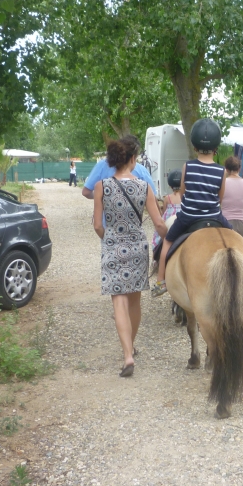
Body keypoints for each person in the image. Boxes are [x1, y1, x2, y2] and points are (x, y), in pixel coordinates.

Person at [94, 139, 167, 377]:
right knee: (135, 302)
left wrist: (110, 238)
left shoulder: (101, 186)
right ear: (133, 159)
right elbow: (158, 223)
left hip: (113, 246)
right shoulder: (145, 187)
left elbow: (97, 225)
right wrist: (171, 236)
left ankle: (127, 356)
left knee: (119, 302)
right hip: (137, 247)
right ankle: (131, 348)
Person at [152, 118, 232, 296]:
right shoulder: (221, 171)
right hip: (214, 216)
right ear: (216, 148)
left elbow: (181, 193)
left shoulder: (187, 166)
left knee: (167, 242)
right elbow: (220, 197)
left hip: (188, 216)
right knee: (235, 239)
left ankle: (161, 281)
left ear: (194, 147)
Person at [82, 135, 157, 200]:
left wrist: (101, 197)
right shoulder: (141, 170)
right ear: (133, 157)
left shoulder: (102, 165)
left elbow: (86, 192)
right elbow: (152, 197)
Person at [151, 169, 184, 274]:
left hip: (171, 221)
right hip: (182, 219)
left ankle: (155, 259)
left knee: (157, 236)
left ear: (170, 185)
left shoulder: (168, 198)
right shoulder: (185, 196)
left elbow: (164, 213)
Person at [221, 156, 243, 245]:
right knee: (242, 254)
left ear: (226, 169)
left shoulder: (222, 184)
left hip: (225, 222)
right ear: (239, 168)